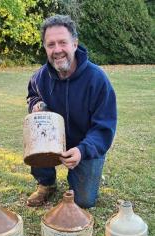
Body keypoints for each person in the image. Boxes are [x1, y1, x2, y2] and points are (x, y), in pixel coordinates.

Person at [26, 15, 117, 208]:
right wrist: (37, 104)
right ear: (45, 47)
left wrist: (82, 150)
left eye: (62, 43)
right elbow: (33, 95)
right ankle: (46, 183)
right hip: (52, 141)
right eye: (51, 44)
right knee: (37, 129)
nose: (57, 50)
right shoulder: (40, 77)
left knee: (83, 200)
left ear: (75, 44)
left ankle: (79, 176)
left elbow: (104, 128)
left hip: (84, 146)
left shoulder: (97, 80)